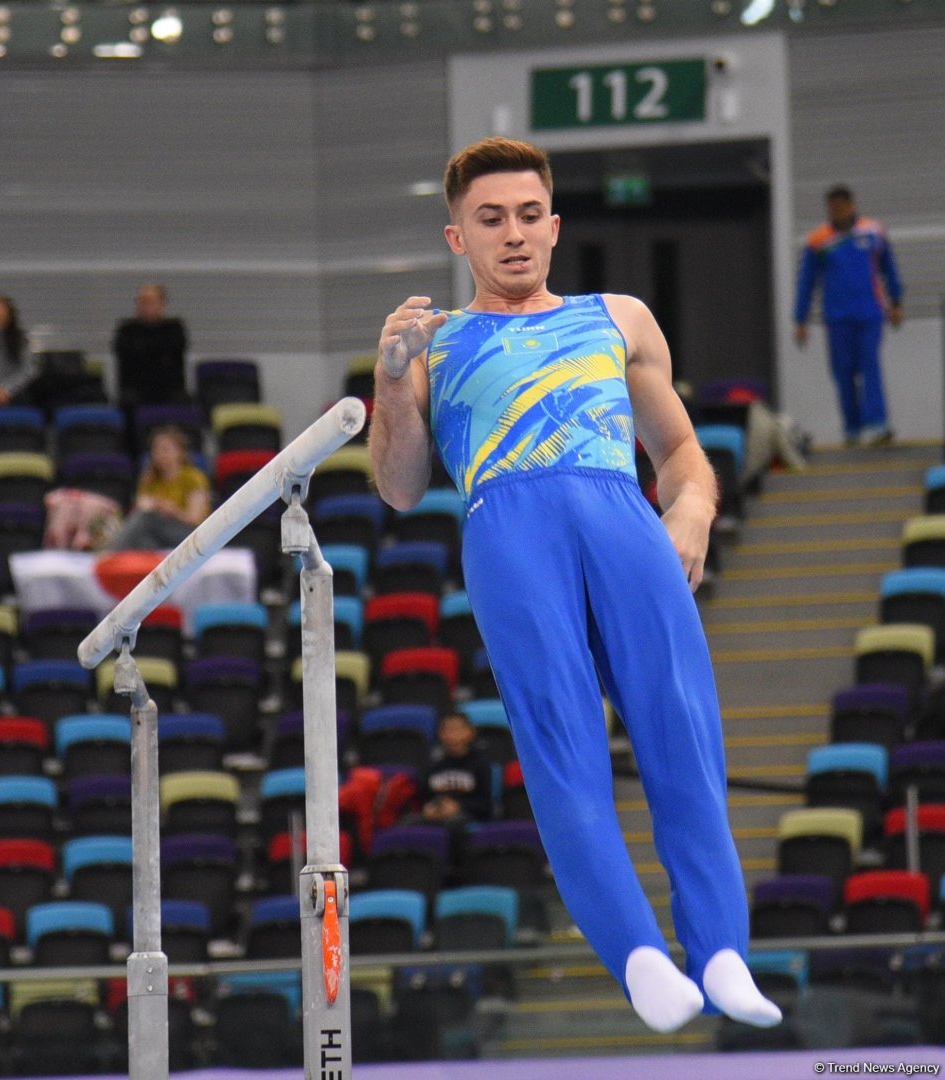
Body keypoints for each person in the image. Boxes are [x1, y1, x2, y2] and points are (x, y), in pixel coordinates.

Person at [368, 136, 779, 1034]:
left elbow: (677, 453)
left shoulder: (616, 316)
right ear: (455, 238)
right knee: (561, 738)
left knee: (682, 731)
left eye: (525, 216)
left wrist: (693, 514)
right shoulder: (436, 344)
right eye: (489, 220)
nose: (510, 235)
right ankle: (636, 952)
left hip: (620, 516)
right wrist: (392, 382)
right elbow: (398, 488)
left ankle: (719, 950)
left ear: (553, 226)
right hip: (508, 527)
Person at [794, 184, 904, 447]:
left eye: (842, 207)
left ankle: (878, 425)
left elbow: (889, 268)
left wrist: (896, 302)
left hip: (869, 313)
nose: (838, 212)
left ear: (851, 206)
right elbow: (807, 283)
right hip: (837, 318)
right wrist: (800, 320)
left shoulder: (873, 232)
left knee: (870, 365)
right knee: (844, 372)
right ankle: (852, 429)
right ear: (829, 209)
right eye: (833, 208)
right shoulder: (819, 241)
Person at [110, 426, 210, 551]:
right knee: (144, 540)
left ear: (180, 452)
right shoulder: (149, 478)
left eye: (165, 449)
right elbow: (139, 511)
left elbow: (196, 519)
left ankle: (111, 553)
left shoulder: (194, 477)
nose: (160, 454)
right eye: (156, 450)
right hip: (158, 533)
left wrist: (169, 509)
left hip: (189, 533)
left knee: (146, 518)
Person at [113, 283, 189, 410]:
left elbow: (175, 352)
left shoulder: (175, 328)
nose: (146, 306)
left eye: (151, 301)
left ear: (162, 304)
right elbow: (127, 357)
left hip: (168, 388)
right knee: (126, 401)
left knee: (183, 400)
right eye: (142, 301)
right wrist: (158, 353)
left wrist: (143, 349)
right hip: (136, 388)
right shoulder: (126, 330)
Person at [420, 712, 494, 828]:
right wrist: (429, 808)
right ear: (440, 734)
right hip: (436, 814)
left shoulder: (480, 764)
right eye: (447, 730)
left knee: (453, 824)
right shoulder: (433, 764)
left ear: (471, 732)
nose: (452, 735)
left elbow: (486, 805)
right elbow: (424, 796)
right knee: (408, 823)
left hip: (467, 816)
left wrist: (458, 806)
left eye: (457, 729)